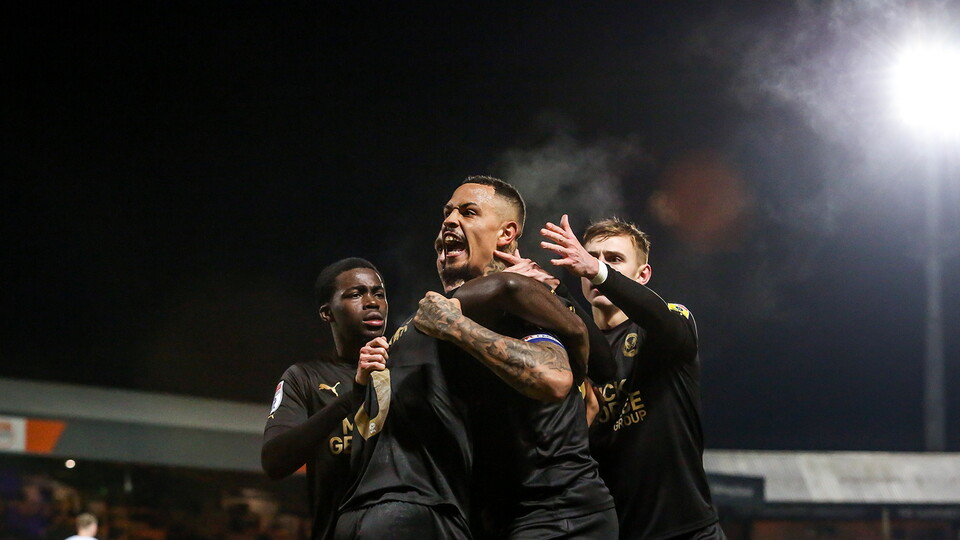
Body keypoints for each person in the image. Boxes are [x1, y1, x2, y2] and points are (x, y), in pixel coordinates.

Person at [339, 176, 615, 540]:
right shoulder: (439, 314)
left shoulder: (520, 301)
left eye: (468, 212)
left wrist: (459, 324)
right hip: (488, 517)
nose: (450, 221)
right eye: (447, 213)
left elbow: (559, 380)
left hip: (555, 514)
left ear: (506, 234)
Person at [538, 215, 724, 540]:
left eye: (614, 259)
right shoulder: (576, 353)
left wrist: (599, 272)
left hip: (688, 530)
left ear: (642, 275)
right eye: (592, 256)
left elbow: (662, 319)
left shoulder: (668, 324)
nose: (596, 265)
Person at [261, 257, 389, 540]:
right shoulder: (303, 377)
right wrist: (352, 396)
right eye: (356, 294)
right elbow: (274, 461)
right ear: (327, 313)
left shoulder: (407, 369)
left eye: (378, 293)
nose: (372, 302)